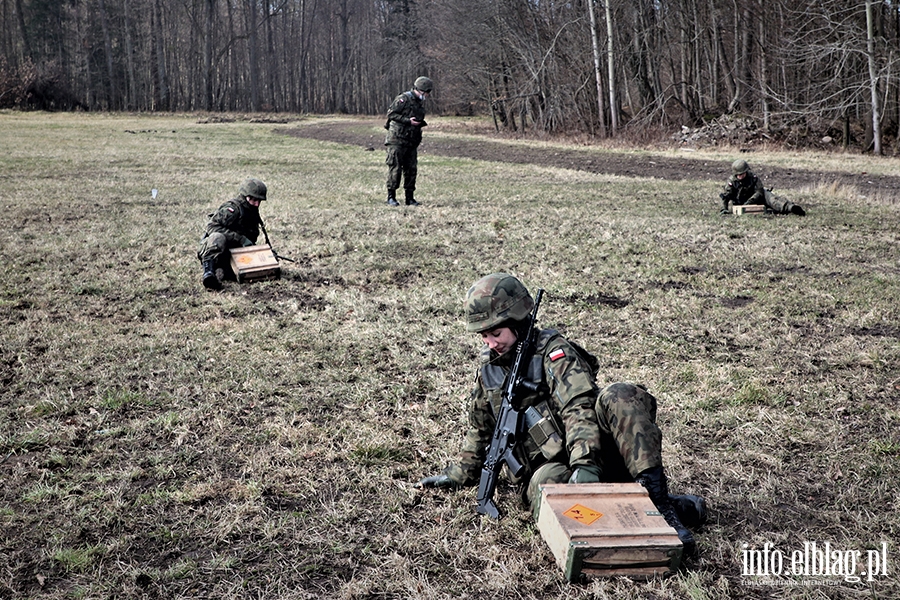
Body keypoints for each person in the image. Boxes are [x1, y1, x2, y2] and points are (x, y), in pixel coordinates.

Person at [416, 273, 706, 556]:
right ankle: (636, 510)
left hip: (598, 455)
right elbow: (480, 430)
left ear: (517, 323)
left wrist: (586, 467)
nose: (491, 343)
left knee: (619, 395)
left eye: (496, 333)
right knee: (548, 489)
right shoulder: (489, 370)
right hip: (551, 469)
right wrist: (459, 475)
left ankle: (659, 504)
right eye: (484, 336)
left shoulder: (554, 352)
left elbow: (578, 408)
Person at [197, 178, 267, 290]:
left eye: (259, 201)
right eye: (254, 200)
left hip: (235, 253)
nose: (257, 204)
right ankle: (209, 272)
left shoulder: (252, 212)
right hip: (218, 249)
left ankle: (223, 271)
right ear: (246, 196)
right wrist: (240, 239)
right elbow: (212, 227)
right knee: (217, 237)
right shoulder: (233, 210)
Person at [384, 76, 433, 207]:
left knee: (411, 169)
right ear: (421, 90)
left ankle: (409, 198)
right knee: (395, 168)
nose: (428, 95)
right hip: (397, 139)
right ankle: (391, 197)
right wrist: (407, 121)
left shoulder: (418, 103)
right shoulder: (403, 99)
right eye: (427, 92)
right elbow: (391, 114)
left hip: (411, 141)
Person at [720, 159, 806, 216]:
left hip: (756, 199)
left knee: (771, 197)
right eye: (738, 175)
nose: (740, 176)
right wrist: (724, 209)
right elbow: (725, 196)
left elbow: (759, 191)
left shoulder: (753, 178)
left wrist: (750, 202)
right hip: (740, 204)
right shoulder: (731, 181)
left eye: (742, 174)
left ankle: (791, 208)